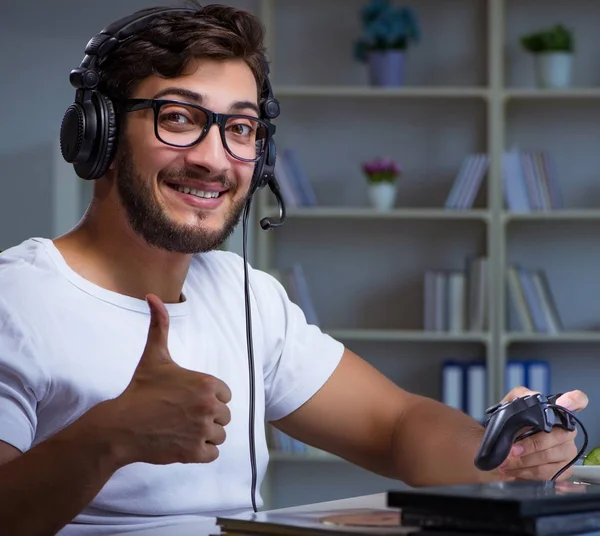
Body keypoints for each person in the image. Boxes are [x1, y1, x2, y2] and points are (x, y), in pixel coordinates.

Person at [0, 3, 588, 536]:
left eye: (239, 128)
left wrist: (501, 456)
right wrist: (110, 436)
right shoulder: (16, 298)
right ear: (96, 135)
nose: (213, 159)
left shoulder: (245, 294)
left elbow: (396, 425)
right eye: (177, 118)